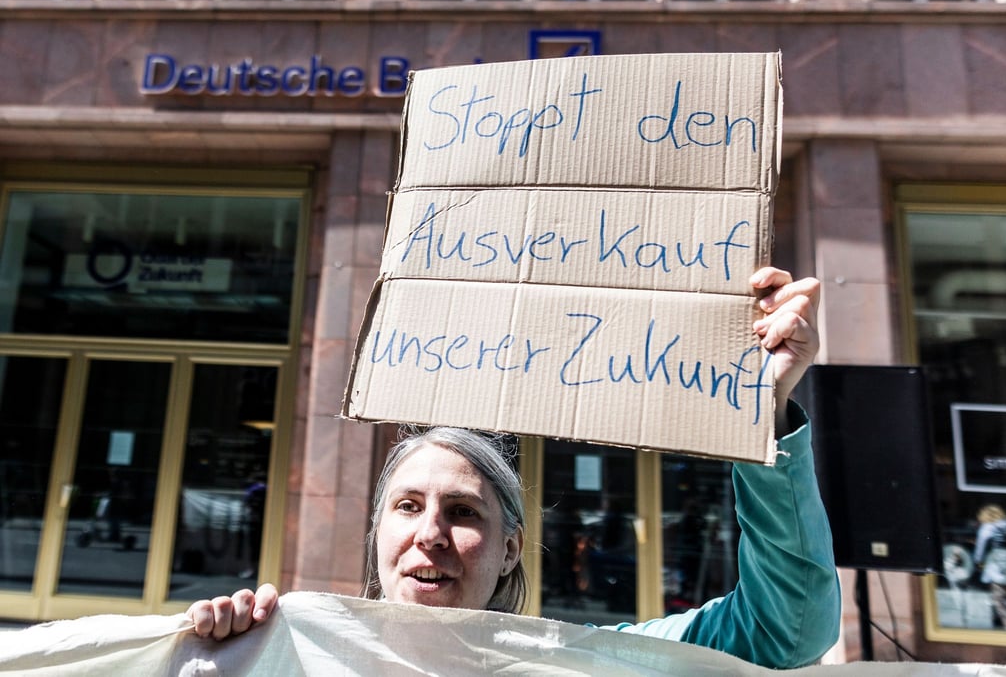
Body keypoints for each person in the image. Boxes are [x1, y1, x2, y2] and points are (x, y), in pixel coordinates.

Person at [187, 267, 841, 669]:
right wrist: (219, 654)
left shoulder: (579, 664)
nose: (431, 533)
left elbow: (787, 631)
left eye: (463, 512)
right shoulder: (292, 654)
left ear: (510, 550)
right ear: (377, 532)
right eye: (408, 506)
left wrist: (764, 409)